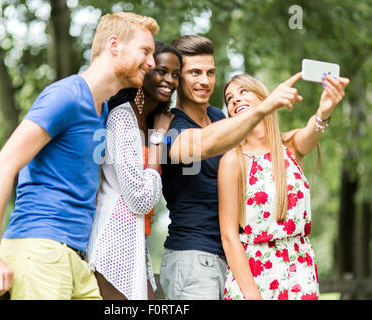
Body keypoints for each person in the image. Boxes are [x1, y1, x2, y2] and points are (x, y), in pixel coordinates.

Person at [0, 12, 159, 300]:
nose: (152, 63)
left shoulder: (101, 113)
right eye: (145, 51)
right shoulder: (66, 96)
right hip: (41, 249)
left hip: (77, 259)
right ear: (115, 45)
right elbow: (0, 169)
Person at [159, 35, 304, 300]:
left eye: (210, 72)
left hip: (233, 258)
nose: (205, 81)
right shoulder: (171, 127)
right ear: (177, 79)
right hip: (193, 260)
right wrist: (264, 107)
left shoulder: (217, 116)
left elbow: (265, 143)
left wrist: (320, 119)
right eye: (194, 73)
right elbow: (201, 144)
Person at [219, 73, 349, 300]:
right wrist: (253, 296)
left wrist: (325, 110)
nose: (235, 100)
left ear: (264, 98)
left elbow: (312, 131)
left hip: (299, 270)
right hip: (254, 276)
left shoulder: (289, 146)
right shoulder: (233, 160)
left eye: (243, 92)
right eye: (230, 98)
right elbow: (229, 236)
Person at [87, 41, 182, 300]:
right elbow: (140, 199)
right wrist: (158, 138)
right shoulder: (122, 117)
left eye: (175, 74)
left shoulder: (152, 121)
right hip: (113, 237)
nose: (169, 80)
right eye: (162, 71)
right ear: (145, 70)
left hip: (135, 237)